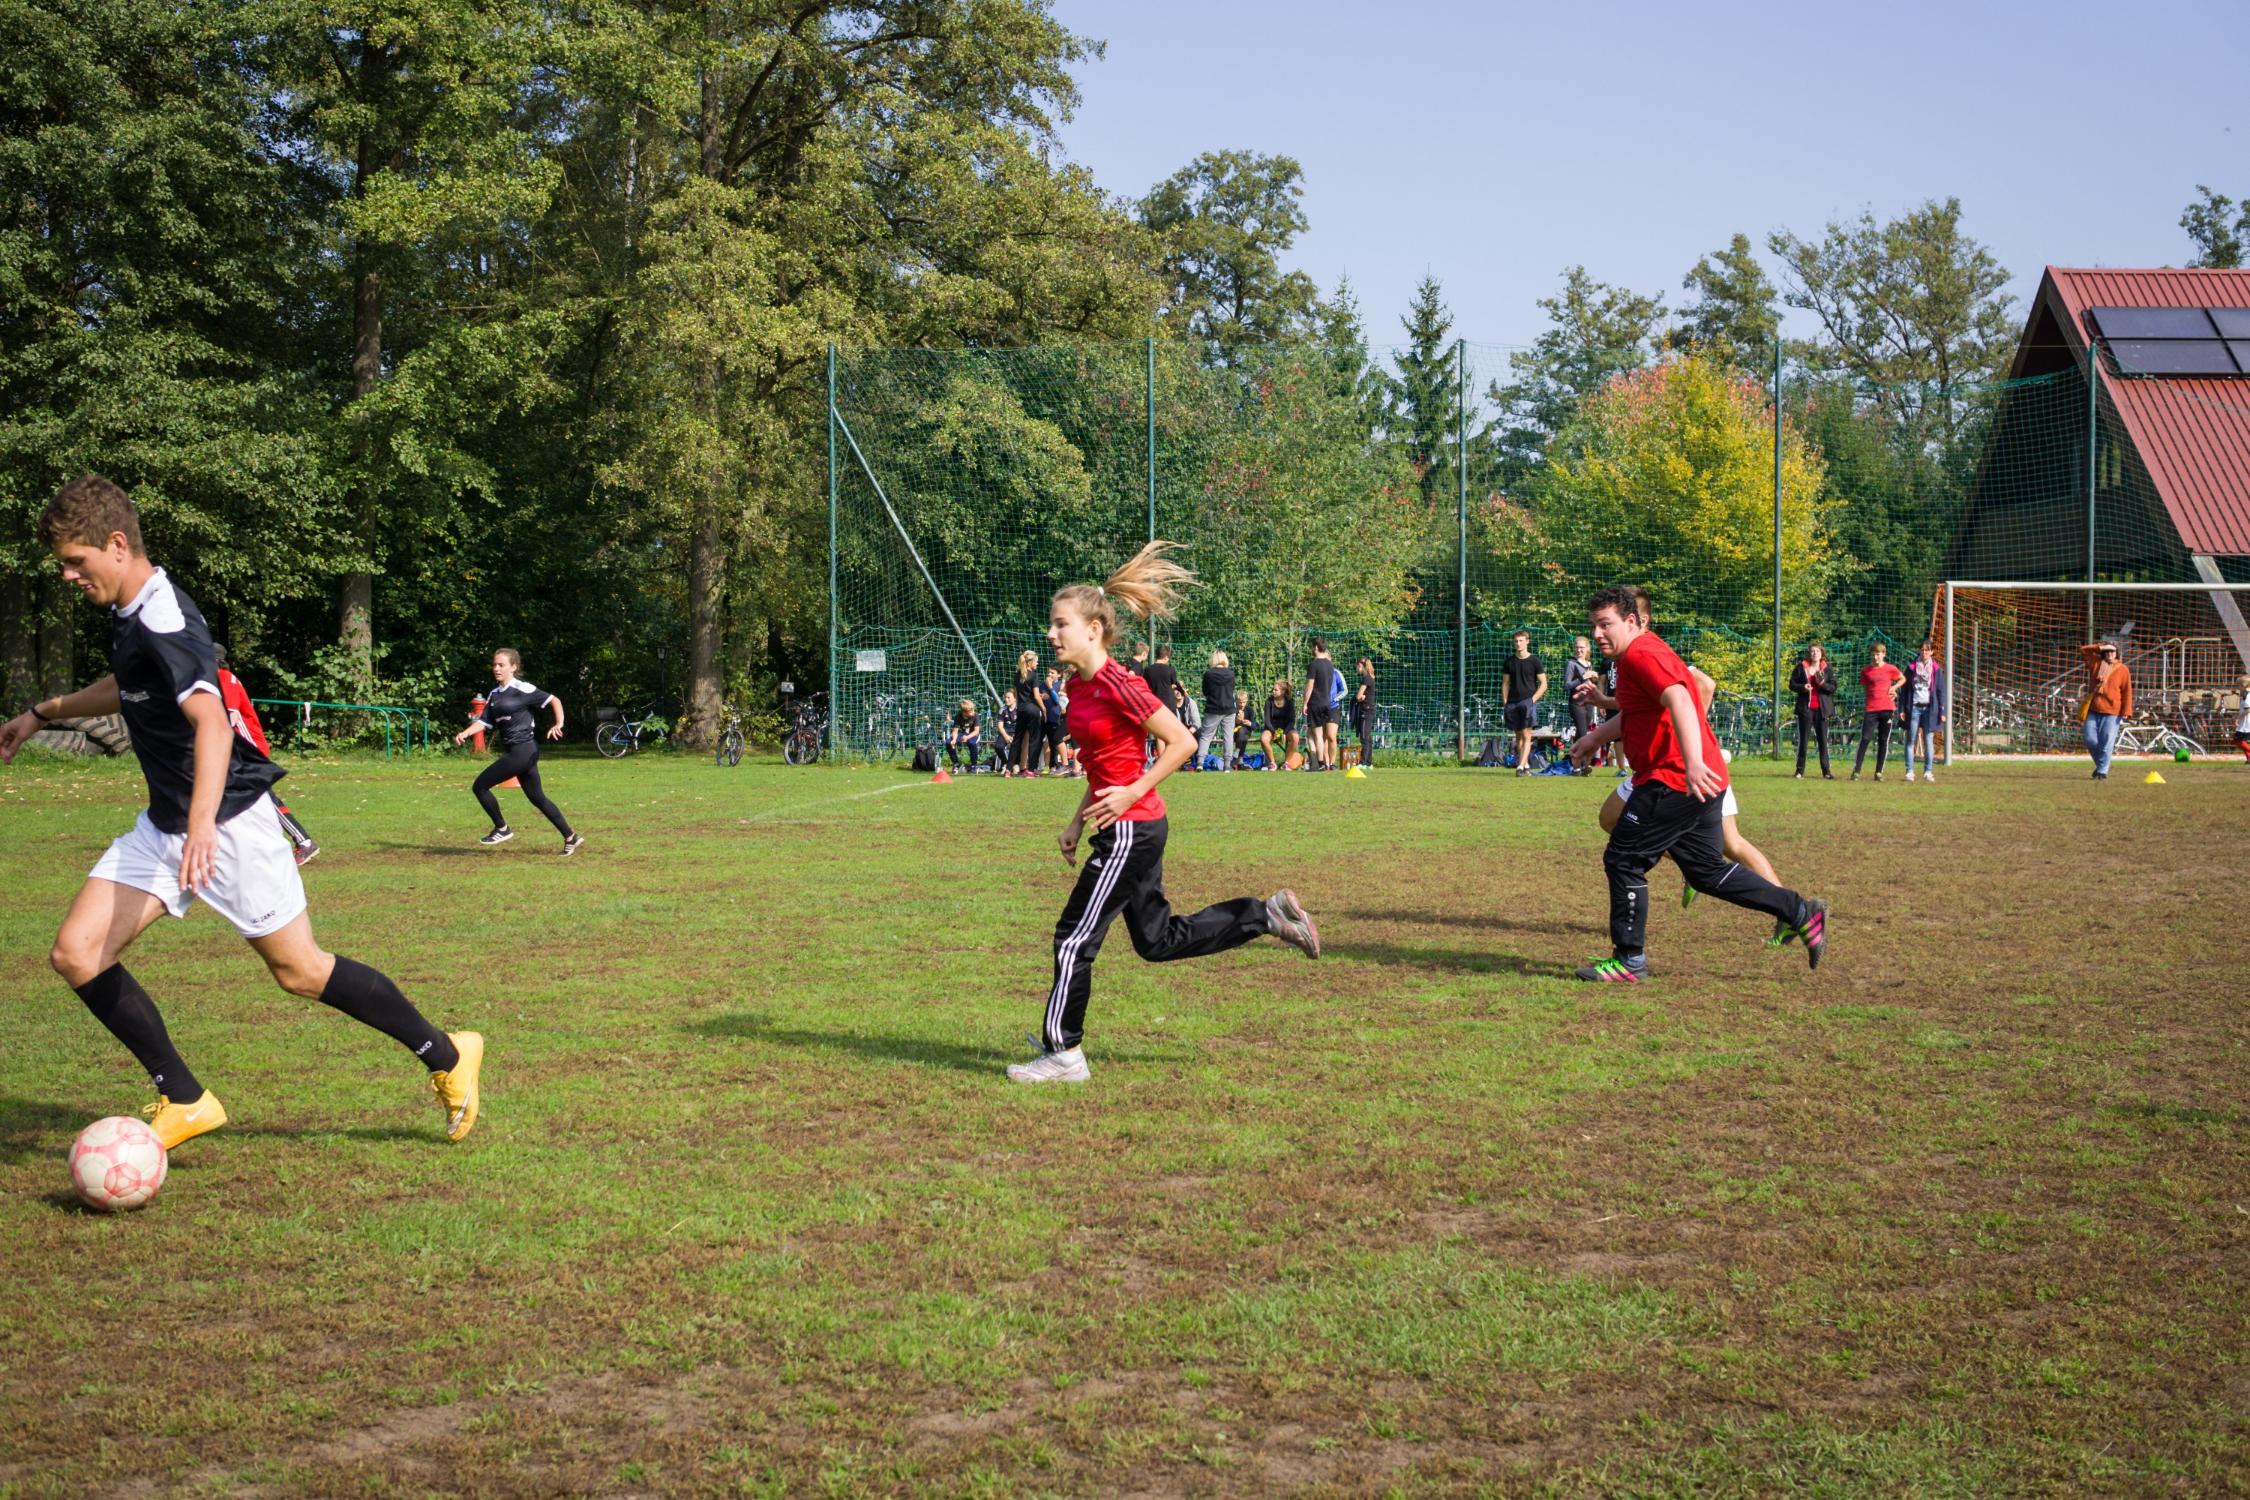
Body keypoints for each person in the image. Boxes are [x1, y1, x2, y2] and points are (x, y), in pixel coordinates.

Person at [0, 475, 484, 1149]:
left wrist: (201, 827)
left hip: (226, 822)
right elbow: (131, 686)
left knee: (300, 970)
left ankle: (448, 1055)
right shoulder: (132, 610)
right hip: (167, 823)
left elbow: (212, 724)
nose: (67, 575)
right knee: (77, 952)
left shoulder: (165, 616)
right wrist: (43, 712)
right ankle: (187, 1098)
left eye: (75, 561)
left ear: (116, 545)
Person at [1009, 541, 1320, 1084]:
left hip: (1132, 828)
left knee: (1073, 939)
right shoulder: (1080, 689)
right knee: (1155, 941)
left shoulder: (1118, 683)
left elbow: (1183, 742)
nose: (1051, 634)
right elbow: (1108, 763)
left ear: (1093, 630)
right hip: (1127, 825)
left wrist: (1131, 795)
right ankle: (1263, 914)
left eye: (1060, 625)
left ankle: (1064, 1055)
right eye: (1051, 626)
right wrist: (1077, 819)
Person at [1568, 584, 1826, 982]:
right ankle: (1799, 911)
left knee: (1623, 860)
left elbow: (1682, 700)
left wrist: (1690, 764)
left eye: (1606, 625)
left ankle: (1629, 960)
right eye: (1594, 626)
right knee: (1706, 872)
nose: (1598, 634)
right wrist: (1594, 736)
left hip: (1674, 780)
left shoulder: (1640, 654)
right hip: (1700, 779)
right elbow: (1641, 710)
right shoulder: (1639, 652)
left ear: (1631, 621)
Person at [453, 648, 582, 854]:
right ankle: (571, 837)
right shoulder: (494, 694)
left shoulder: (524, 689)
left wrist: (559, 723)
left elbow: (554, 700)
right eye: (494, 665)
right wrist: (466, 733)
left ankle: (501, 828)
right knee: (537, 798)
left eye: (501, 665)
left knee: (480, 786)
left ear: (513, 667)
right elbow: (484, 722)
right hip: (518, 752)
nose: (496, 668)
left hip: (524, 750)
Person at [212, 643, 318, 864]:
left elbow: (229, 719)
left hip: (248, 749)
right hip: (239, 749)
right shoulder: (218, 680)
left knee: (262, 797)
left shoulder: (224, 678)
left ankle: (304, 842)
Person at [1853, 642, 1906, 782]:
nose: (1876, 657)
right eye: (1874, 654)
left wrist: (1894, 689)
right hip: (1871, 709)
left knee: (1883, 740)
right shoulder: (1866, 671)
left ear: (1884, 654)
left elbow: (1902, 678)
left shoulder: (1890, 669)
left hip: (1887, 709)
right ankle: (1856, 770)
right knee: (1865, 738)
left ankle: (1878, 772)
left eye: (1878, 654)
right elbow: (1866, 687)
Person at [1498, 630, 1547, 776]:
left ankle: (1520, 766)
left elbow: (1543, 683)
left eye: (1521, 641)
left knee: (1527, 734)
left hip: (1527, 702)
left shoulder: (1535, 661)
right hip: (1512, 703)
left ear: (1527, 641)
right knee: (1518, 736)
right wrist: (1505, 701)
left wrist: (1532, 700)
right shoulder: (1509, 662)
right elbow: (1505, 683)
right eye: (1516, 641)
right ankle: (1525, 765)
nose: (1518, 644)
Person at [1901, 640, 1946, 782]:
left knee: (1928, 740)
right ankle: (1909, 771)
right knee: (1911, 740)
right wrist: (1902, 708)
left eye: (1927, 650)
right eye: (1922, 650)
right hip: (1914, 707)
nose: (1924, 652)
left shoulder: (1936, 669)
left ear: (1932, 652)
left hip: (1929, 709)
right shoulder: (1911, 668)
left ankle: (1928, 771)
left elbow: (1940, 691)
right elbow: (1904, 690)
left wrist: (1942, 711)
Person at [1790, 644, 1836, 780]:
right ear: (1809, 654)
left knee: (1823, 741)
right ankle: (1799, 771)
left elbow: (1832, 688)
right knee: (1803, 740)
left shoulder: (1827, 669)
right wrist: (1803, 687)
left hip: (1822, 710)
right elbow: (1792, 684)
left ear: (1822, 653)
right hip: (1806, 709)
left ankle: (1826, 771)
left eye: (1817, 651)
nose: (1815, 653)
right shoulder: (1801, 667)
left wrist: (1822, 684)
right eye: (1812, 651)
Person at [1302, 638, 1341, 771]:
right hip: (1327, 703)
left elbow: (1310, 686)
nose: (1312, 649)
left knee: (1316, 735)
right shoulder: (1330, 665)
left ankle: (1319, 763)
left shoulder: (1314, 664)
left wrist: (1305, 703)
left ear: (1316, 647)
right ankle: (1327, 763)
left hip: (1315, 703)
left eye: (1312, 647)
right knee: (1324, 736)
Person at [1563, 636, 1599, 774]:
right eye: (1577, 647)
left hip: (1588, 702)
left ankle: (1575, 765)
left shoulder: (1589, 664)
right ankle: (1583, 765)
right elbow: (1567, 685)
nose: (1579, 650)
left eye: (1582, 647)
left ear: (1587, 649)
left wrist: (1593, 679)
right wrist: (1582, 678)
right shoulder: (1571, 664)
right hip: (1576, 703)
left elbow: (1590, 684)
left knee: (1580, 734)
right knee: (1584, 734)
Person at [1197, 650, 1237, 772]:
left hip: (1213, 708)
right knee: (1228, 736)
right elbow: (1231, 690)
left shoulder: (1208, 674)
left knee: (1206, 736)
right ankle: (1227, 765)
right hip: (1229, 708)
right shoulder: (1231, 674)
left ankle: (1200, 762)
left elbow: (1205, 691)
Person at [1142, 644, 1181, 766]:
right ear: (1166, 657)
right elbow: (1174, 683)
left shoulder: (1148, 670)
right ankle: (1170, 761)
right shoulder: (1170, 669)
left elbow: (1145, 685)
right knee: (1172, 733)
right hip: (1169, 704)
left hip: (1155, 704)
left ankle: (1162, 762)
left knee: (1160, 735)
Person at [1012, 650, 1047, 776]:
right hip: (1032, 710)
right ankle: (1031, 769)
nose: (1037, 664)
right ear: (1030, 662)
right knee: (1034, 740)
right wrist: (1043, 708)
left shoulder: (1017, 675)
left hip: (1020, 709)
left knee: (1019, 740)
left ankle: (1012, 769)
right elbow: (1037, 697)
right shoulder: (1033, 675)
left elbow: (1017, 694)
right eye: (1036, 661)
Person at [1261, 678, 1298, 769]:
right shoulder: (1269, 701)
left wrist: (1284, 733)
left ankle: (1286, 763)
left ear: (1283, 691)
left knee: (1295, 737)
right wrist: (1274, 732)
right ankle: (1272, 763)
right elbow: (1267, 720)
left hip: (1286, 729)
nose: (1273, 691)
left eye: (1275, 690)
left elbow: (1292, 721)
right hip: (1271, 729)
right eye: (1273, 689)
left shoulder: (1289, 702)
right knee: (1263, 739)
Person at [1042, 665, 1070, 771]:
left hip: (1057, 718)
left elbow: (1059, 700)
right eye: (1048, 672)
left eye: (1052, 673)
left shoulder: (1059, 686)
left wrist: (1050, 688)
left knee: (1056, 741)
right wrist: (1041, 696)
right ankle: (1048, 765)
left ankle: (1061, 765)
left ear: (1059, 674)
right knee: (1046, 742)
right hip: (1045, 718)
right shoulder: (1042, 684)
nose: (1049, 675)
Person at [1351, 657, 1377, 766]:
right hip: (1369, 710)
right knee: (1368, 737)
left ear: (1362, 666)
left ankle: (1363, 762)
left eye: (1357, 666)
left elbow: (1358, 696)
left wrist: (1360, 698)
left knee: (1364, 737)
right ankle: (1369, 763)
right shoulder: (1371, 677)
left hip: (1365, 711)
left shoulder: (1366, 679)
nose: (1356, 668)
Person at [944, 698, 981, 771]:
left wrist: (967, 737)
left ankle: (974, 765)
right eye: (971, 711)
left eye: (973, 710)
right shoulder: (958, 716)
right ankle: (956, 763)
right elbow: (955, 731)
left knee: (972, 743)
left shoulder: (975, 716)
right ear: (964, 712)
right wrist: (954, 739)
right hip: (962, 734)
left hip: (973, 734)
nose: (973, 712)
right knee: (949, 742)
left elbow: (976, 731)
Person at [991, 689, 1019, 774]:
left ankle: (1016, 764)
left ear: (1015, 699)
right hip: (1005, 733)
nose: (1006, 699)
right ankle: (1005, 763)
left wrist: (1016, 736)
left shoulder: (1020, 709)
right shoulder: (1002, 709)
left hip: (1017, 733)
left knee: (1020, 746)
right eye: (1005, 697)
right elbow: (1000, 726)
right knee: (998, 747)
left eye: (1008, 697)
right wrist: (1006, 736)